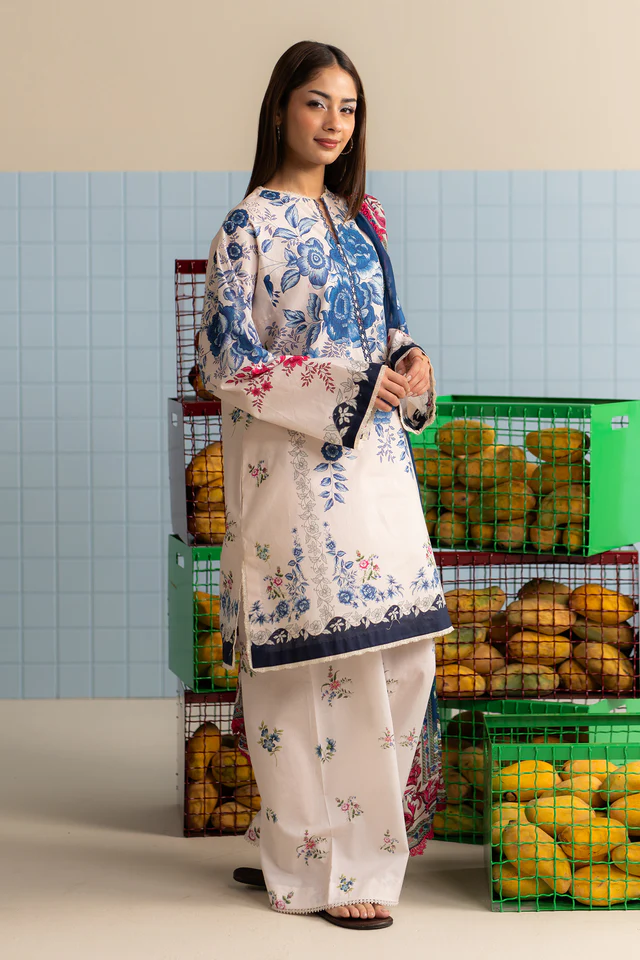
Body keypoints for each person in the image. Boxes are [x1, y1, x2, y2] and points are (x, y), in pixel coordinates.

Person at [197, 39, 452, 930]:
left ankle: (334, 856)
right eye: (317, 102)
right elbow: (226, 361)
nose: (334, 122)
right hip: (292, 475)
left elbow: (389, 330)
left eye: (348, 107)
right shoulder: (246, 228)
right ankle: (318, 868)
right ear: (280, 110)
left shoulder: (361, 220)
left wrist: (412, 363)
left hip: (377, 472)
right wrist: (343, 386)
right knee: (309, 669)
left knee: (404, 658)